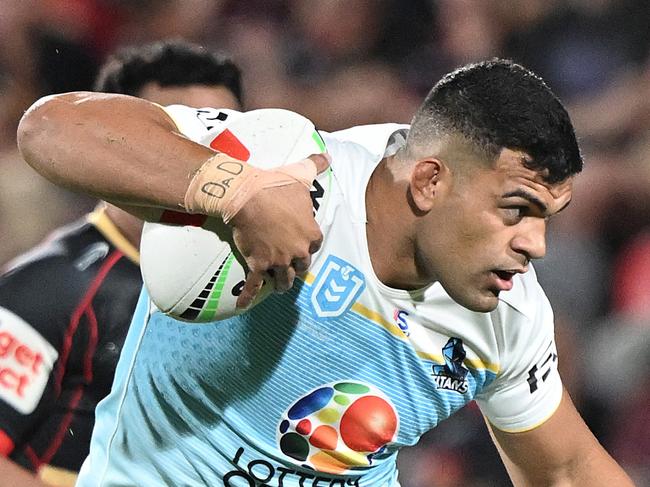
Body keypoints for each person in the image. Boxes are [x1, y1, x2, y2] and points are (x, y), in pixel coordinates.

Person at [17, 59, 635, 486]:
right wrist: (231, 190)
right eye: (517, 210)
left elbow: (565, 471)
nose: (537, 246)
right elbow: (51, 127)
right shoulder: (292, 170)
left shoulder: (511, 313)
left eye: (549, 217)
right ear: (430, 180)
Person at [0, 39, 243, 487]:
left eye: (222, 140)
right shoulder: (48, 290)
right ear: (111, 151)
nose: (202, 161)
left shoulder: (262, 286)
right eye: (176, 139)